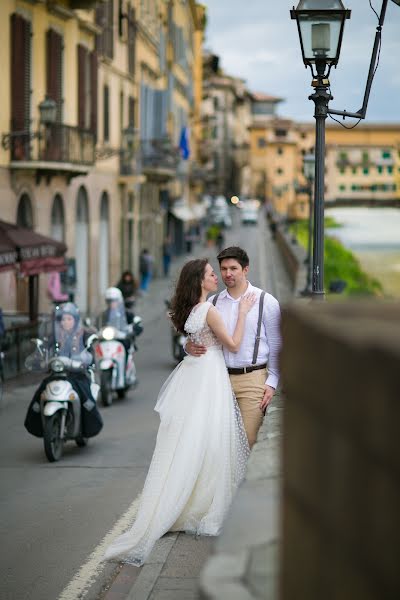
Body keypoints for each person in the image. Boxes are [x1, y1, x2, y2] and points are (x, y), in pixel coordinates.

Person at [104, 258, 256, 566]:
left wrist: (188, 345)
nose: (217, 277)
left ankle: (183, 500)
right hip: (208, 374)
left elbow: (189, 336)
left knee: (189, 438)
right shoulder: (209, 310)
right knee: (211, 438)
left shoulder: (191, 310)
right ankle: (201, 503)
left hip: (193, 373)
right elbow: (235, 344)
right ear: (201, 281)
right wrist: (241, 312)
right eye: (212, 274)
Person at [186, 246, 281, 448]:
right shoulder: (214, 301)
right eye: (223, 269)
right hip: (218, 379)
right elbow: (203, 337)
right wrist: (189, 347)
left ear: (245, 270)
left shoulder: (266, 301)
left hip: (252, 380)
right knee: (221, 445)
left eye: (233, 268)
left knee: (250, 439)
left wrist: (272, 382)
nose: (227, 274)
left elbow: (277, 345)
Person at [24, 302, 103, 438]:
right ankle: (37, 423)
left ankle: (89, 425)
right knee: (41, 392)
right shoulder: (54, 336)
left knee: (85, 396)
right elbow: (44, 349)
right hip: (57, 374)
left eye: (69, 319)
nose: (65, 322)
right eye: (63, 319)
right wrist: (40, 358)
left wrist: (86, 359)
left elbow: (90, 349)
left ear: (75, 320)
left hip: (76, 375)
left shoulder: (84, 334)